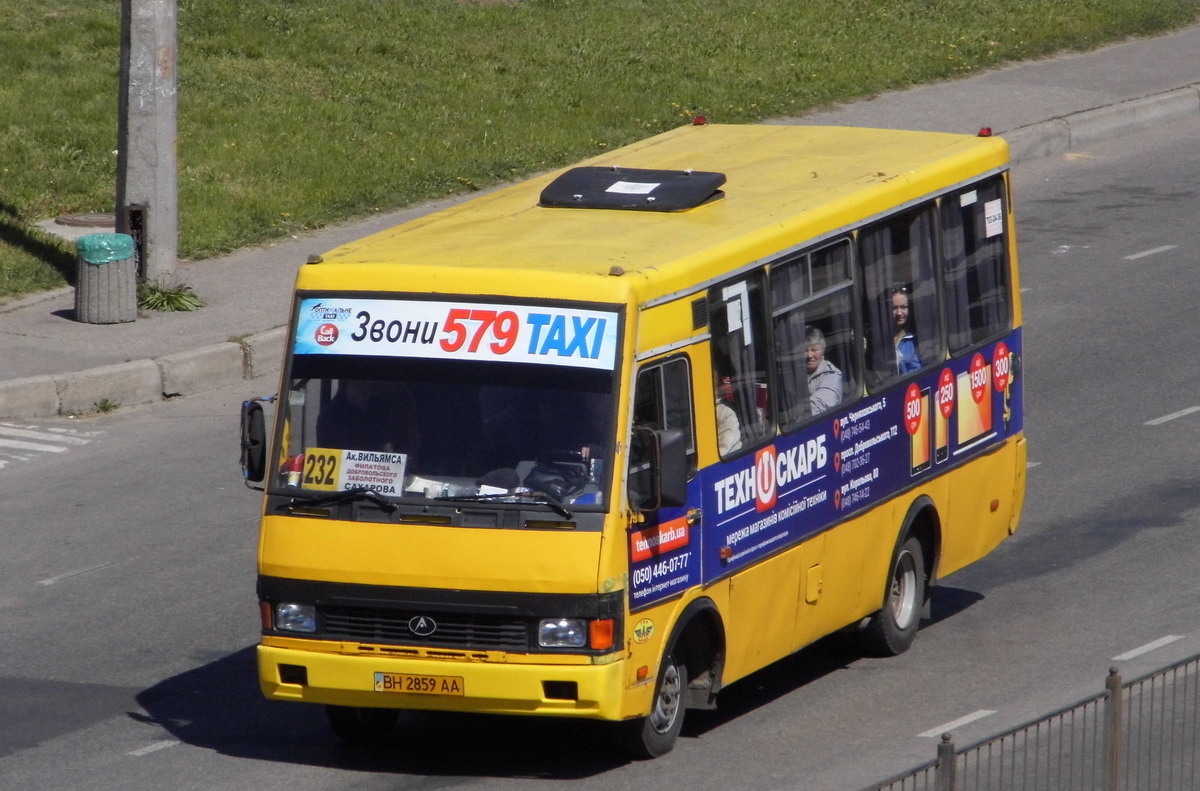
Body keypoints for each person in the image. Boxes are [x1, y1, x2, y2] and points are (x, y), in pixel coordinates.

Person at [316, 379, 419, 457]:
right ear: (346, 384)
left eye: (367, 383)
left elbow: (402, 455)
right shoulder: (332, 416)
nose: (363, 388)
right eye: (357, 383)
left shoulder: (386, 416)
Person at [804, 326, 843, 415]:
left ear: (823, 351)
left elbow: (817, 407)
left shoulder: (833, 376)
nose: (809, 355)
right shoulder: (793, 374)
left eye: (814, 350)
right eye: (805, 350)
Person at [890, 285, 921, 373]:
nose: (899, 313)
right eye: (894, 308)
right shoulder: (880, 336)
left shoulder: (914, 340)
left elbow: (917, 371)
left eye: (904, 307)